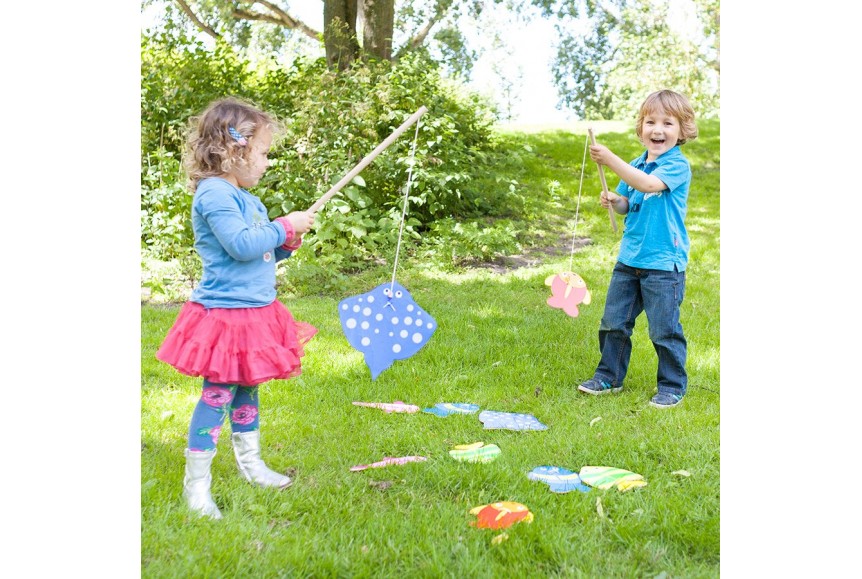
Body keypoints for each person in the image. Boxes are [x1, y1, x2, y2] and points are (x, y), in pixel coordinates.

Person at [156, 97, 317, 519]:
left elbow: (261, 254)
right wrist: (283, 225)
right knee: (217, 394)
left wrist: (285, 242)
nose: (265, 162)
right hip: (225, 315)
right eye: (262, 152)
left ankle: (252, 463)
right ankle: (197, 485)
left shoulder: (246, 198)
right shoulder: (214, 194)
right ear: (235, 149)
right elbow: (241, 245)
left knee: (248, 388)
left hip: (255, 312)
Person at [577, 89, 698, 409]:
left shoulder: (677, 165)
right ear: (641, 128)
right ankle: (609, 376)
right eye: (650, 122)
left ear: (683, 130)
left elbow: (648, 185)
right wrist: (616, 202)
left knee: (664, 329)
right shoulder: (636, 163)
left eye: (667, 123)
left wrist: (609, 159)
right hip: (630, 258)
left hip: (663, 263)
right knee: (614, 322)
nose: (657, 130)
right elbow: (630, 202)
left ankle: (672, 385)